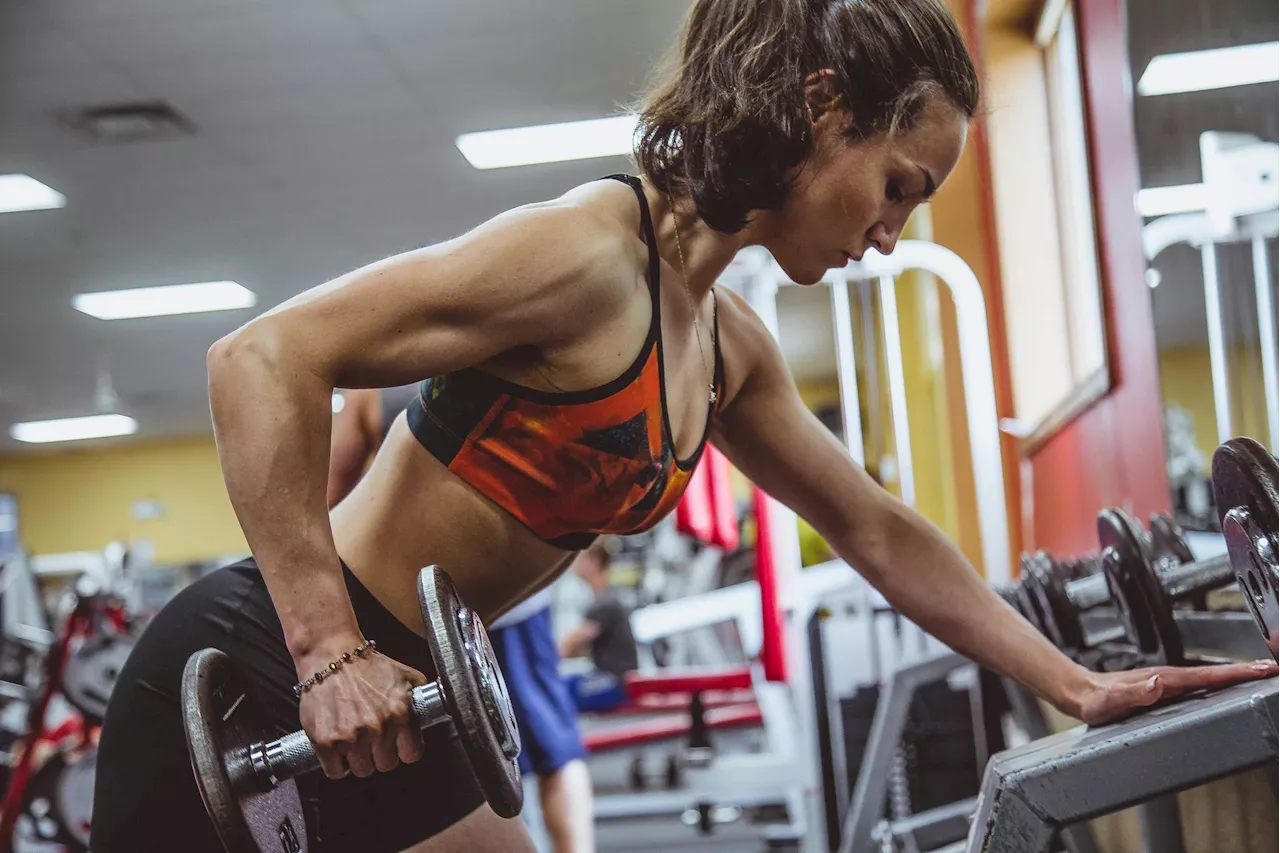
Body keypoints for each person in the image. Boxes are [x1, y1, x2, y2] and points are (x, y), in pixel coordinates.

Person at [92, 1, 1278, 851]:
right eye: (898, 185)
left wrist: (1076, 684)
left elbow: (871, 525)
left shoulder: (720, 346)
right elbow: (258, 359)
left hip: (406, 691)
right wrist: (323, 649)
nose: (892, 231)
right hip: (259, 662)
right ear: (822, 110)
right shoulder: (582, 255)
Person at [326, 388, 597, 852]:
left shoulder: (371, 383)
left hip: (422, 598)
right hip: (494, 585)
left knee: (469, 751)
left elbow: (331, 496)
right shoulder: (491, 343)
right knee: (539, 746)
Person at [559, 540, 639, 712]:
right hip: (611, 677)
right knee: (564, 684)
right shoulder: (604, 598)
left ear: (594, 561)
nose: (575, 565)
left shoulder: (605, 602)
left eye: (580, 559)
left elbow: (574, 641)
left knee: (560, 691)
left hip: (615, 683)